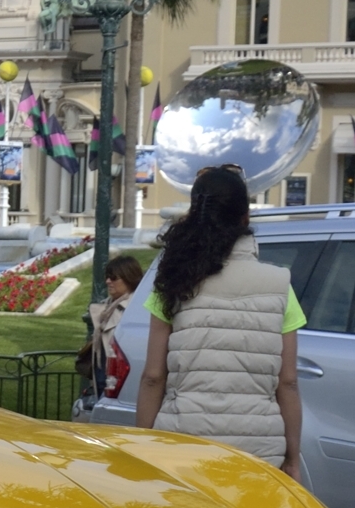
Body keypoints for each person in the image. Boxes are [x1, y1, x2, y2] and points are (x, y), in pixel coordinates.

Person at [132, 167, 304, 476]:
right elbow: (288, 382)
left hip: (182, 444)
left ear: (194, 212)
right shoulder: (280, 284)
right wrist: (291, 458)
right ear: (245, 218)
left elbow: (153, 377)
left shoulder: (174, 279)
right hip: (259, 454)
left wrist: (143, 448)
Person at [72, 252, 144, 419]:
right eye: (107, 277)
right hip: (103, 379)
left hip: (119, 385)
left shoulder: (134, 310)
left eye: (113, 277)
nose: (107, 281)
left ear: (129, 278)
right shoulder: (108, 307)